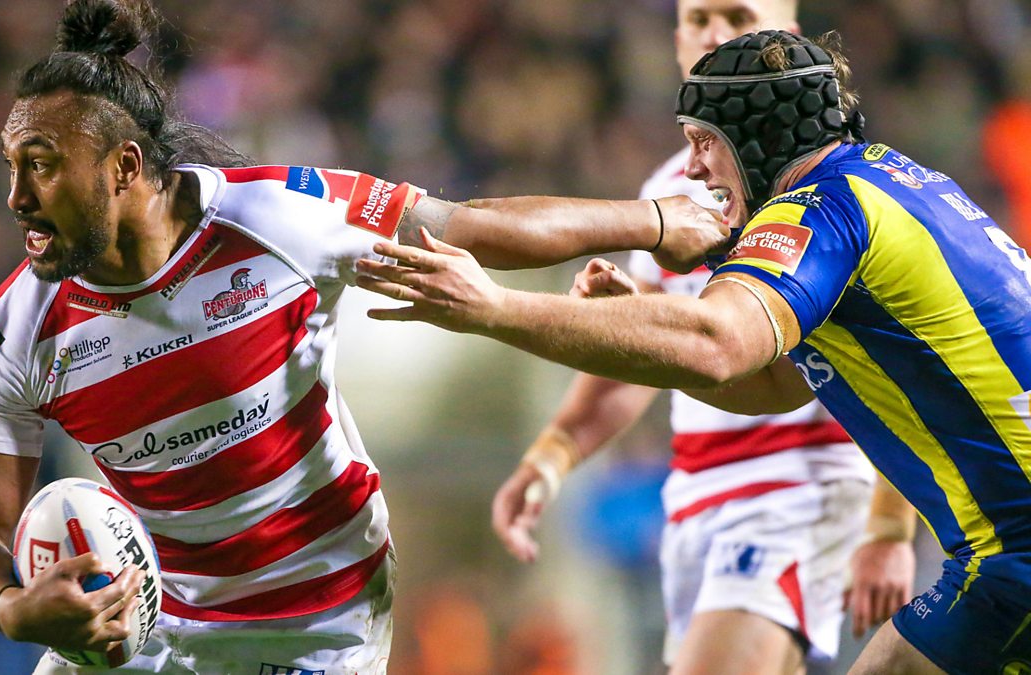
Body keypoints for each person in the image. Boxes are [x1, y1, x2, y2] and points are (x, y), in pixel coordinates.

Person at [0, 1, 726, 673]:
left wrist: (654, 221)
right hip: (150, 621)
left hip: (314, 616)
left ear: (124, 168)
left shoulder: (280, 217)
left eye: (40, 166)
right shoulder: (14, 331)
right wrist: (11, 605)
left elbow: (475, 227)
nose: (16, 196)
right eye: (11, 166)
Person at [357, 29, 1031, 675]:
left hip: (1011, 551)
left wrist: (494, 307)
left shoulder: (821, 208)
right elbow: (774, 383)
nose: (695, 168)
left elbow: (717, 345)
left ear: (762, 135)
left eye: (705, 142)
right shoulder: (897, 181)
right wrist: (634, 324)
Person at [489, 3, 915, 673]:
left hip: (798, 483)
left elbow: (900, 360)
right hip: (694, 493)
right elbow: (638, 357)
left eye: (738, 16)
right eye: (697, 19)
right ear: (675, 41)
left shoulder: (828, 190)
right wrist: (552, 454)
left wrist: (890, 525)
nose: (714, 34)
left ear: (787, 44)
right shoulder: (672, 187)